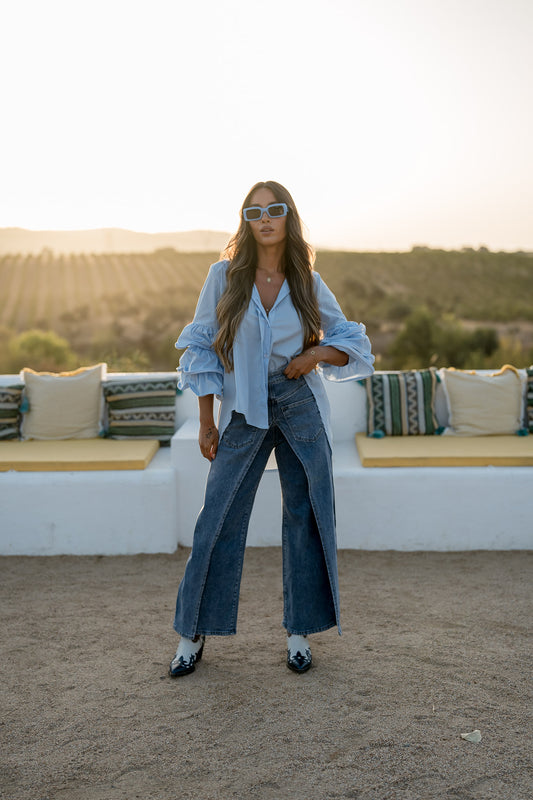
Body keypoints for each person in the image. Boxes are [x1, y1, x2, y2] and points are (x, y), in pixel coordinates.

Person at [169, 180, 374, 677]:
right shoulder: (224, 276)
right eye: (254, 210)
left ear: (288, 217)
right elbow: (201, 350)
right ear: (245, 220)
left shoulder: (305, 279)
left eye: (274, 209)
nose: (264, 218)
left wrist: (314, 355)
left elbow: (350, 339)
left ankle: (299, 634)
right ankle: (191, 633)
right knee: (216, 515)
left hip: (298, 400)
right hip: (243, 407)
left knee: (304, 514)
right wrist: (205, 420)